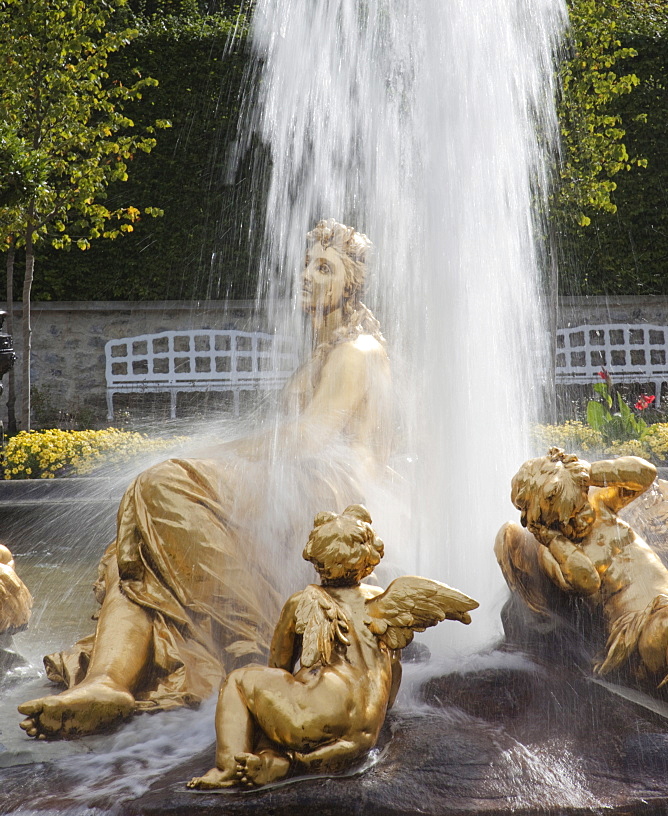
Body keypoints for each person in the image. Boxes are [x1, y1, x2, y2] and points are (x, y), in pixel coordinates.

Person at [18, 220, 393, 739]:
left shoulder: (359, 352)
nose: (306, 275)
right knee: (143, 539)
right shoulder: (322, 354)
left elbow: (309, 440)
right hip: (297, 483)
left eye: (324, 268)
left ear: (351, 284)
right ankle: (107, 682)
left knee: (161, 487)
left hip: (332, 499)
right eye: (306, 263)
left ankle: (249, 636)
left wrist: (212, 454)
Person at [187, 504, 478, 790]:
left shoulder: (303, 601)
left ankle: (228, 767)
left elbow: (277, 665)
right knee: (292, 703)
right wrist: (382, 712)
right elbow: (394, 669)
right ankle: (283, 763)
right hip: (362, 736)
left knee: (241, 681)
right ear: (368, 558)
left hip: (316, 721)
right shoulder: (384, 601)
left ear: (316, 559)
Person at [495, 447, 668, 683]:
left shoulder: (600, 504)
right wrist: (554, 539)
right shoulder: (552, 552)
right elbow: (587, 581)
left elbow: (646, 473)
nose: (581, 518)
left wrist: (591, 472)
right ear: (549, 523)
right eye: (566, 520)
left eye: (579, 506)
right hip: (637, 627)